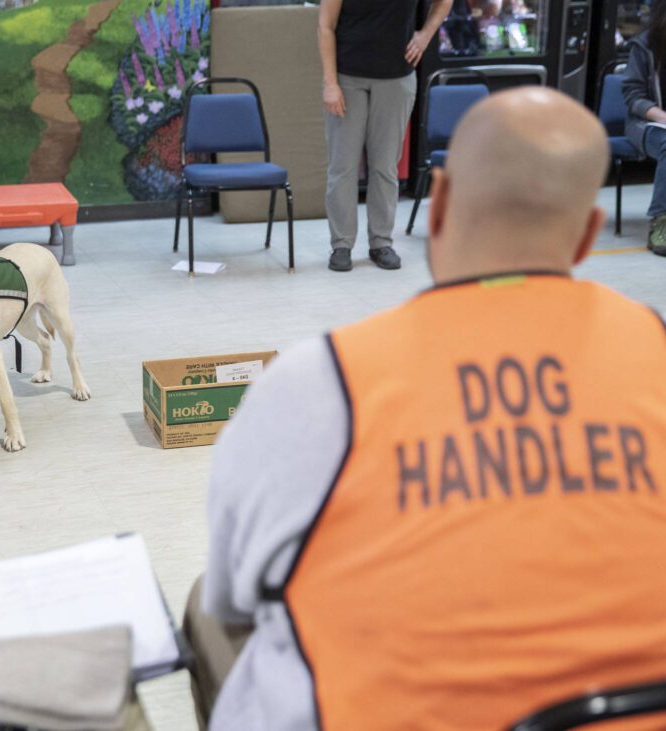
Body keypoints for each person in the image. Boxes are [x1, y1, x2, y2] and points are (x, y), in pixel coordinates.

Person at [185, 87, 666, 730]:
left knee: (206, 607)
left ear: (437, 205)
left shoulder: (319, 383)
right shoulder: (656, 348)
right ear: (586, 235)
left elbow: (235, 595)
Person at [319, 0, 453, 272]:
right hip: (347, 78)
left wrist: (425, 34)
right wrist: (330, 83)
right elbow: (325, 25)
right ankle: (341, 244)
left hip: (396, 78)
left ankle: (381, 242)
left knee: (385, 166)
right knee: (342, 166)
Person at [623, 0, 666, 256]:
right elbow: (633, 96)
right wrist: (661, 116)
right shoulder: (645, 45)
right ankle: (660, 221)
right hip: (646, 123)